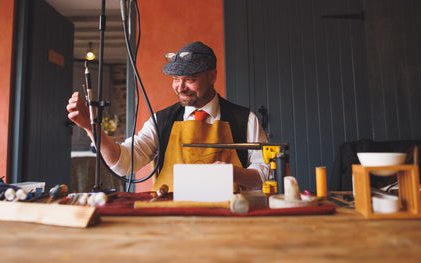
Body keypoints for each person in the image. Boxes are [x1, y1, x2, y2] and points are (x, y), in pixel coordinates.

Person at [67, 41, 269, 191]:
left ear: (212, 76)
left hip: (229, 219)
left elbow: (266, 174)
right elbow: (123, 163)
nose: (180, 87)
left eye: (189, 79)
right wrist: (90, 126)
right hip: (171, 219)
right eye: (175, 79)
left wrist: (233, 174)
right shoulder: (161, 121)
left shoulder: (245, 119)